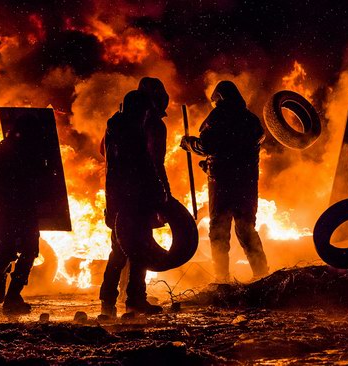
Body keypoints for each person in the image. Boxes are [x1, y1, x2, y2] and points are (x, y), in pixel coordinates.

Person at [180, 80, 268, 282]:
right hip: (246, 184)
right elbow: (234, 151)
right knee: (246, 229)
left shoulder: (218, 117)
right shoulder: (251, 120)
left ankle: (221, 278)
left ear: (218, 99)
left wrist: (189, 143)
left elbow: (207, 145)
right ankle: (262, 275)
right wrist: (210, 163)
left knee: (219, 231)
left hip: (222, 184)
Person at [99, 79, 170, 316]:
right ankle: (135, 300)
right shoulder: (133, 132)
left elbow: (108, 160)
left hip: (116, 198)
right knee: (140, 250)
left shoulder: (114, 127)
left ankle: (107, 300)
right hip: (135, 199)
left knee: (118, 250)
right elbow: (146, 165)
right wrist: (161, 192)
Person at [0, 114, 44, 315]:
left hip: (9, 211)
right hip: (15, 210)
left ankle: (8, 288)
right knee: (18, 252)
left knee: (20, 251)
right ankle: (7, 286)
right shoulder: (27, 153)